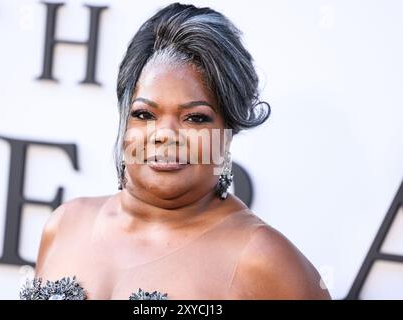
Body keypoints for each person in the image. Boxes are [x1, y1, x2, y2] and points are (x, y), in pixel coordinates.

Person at [20, 2, 331, 300]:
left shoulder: (262, 260)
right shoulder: (65, 225)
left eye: (195, 118)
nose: (165, 135)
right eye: (144, 114)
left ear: (228, 132)